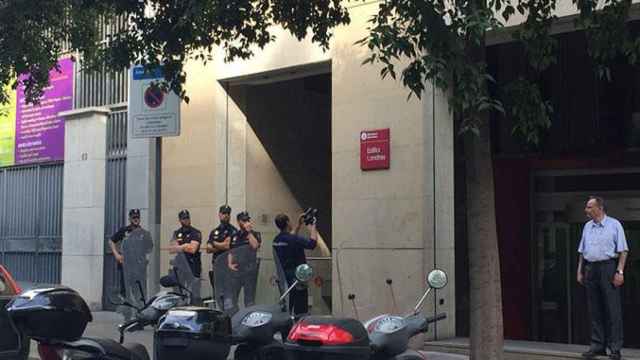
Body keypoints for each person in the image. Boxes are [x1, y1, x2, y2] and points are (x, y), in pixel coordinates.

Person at [577, 196, 629, 360]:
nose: (586, 210)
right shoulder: (587, 226)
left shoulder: (614, 225)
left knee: (612, 309)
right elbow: (582, 252)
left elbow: (623, 251)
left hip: (608, 267)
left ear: (599, 208)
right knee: (594, 309)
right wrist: (580, 271)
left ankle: (615, 348)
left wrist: (619, 272)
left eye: (589, 207)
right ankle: (597, 345)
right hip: (591, 268)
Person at [272, 212, 329, 315]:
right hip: (298, 278)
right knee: (300, 309)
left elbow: (290, 238)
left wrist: (299, 224)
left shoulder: (276, 240)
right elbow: (312, 244)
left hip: (285, 279)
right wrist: (313, 226)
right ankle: (299, 325)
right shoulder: (293, 239)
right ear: (288, 222)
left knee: (290, 305)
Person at [109, 209, 153, 320]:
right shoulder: (124, 231)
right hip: (126, 268)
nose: (136, 219)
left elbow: (150, 249)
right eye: (133, 217)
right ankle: (127, 318)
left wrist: (144, 259)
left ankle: (140, 318)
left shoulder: (145, 233)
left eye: (137, 217)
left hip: (139, 268)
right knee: (126, 293)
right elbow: (111, 241)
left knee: (140, 293)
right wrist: (116, 255)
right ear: (130, 218)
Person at [227, 211, 261, 315]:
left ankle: (249, 321)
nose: (247, 222)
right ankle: (234, 319)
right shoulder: (234, 235)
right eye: (244, 220)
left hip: (249, 271)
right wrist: (229, 264)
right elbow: (231, 251)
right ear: (238, 222)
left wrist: (249, 232)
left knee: (249, 300)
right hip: (236, 271)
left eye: (248, 220)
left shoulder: (255, 234)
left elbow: (255, 246)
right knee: (232, 298)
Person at [206, 204, 236, 309]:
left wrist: (214, 243)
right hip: (217, 267)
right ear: (219, 214)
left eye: (228, 214)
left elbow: (227, 245)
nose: (226, 216)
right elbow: (208, 249)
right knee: (218, 296)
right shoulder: (214, 231)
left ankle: (229, 319)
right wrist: (220, 245)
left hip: (228, 269)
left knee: (229, 298)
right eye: (224, 213)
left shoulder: (233, 231)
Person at [170, 209, 203, 305]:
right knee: (179, 293)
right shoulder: (176, 233)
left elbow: (193, 249)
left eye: (187, 218)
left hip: (193, 267)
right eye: (184, 218)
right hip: (180, 267)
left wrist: (180, 247)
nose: (186, 220)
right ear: (180, 220)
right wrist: (185, 246)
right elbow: (172, 249)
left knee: (194, 294)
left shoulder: (195, 232)